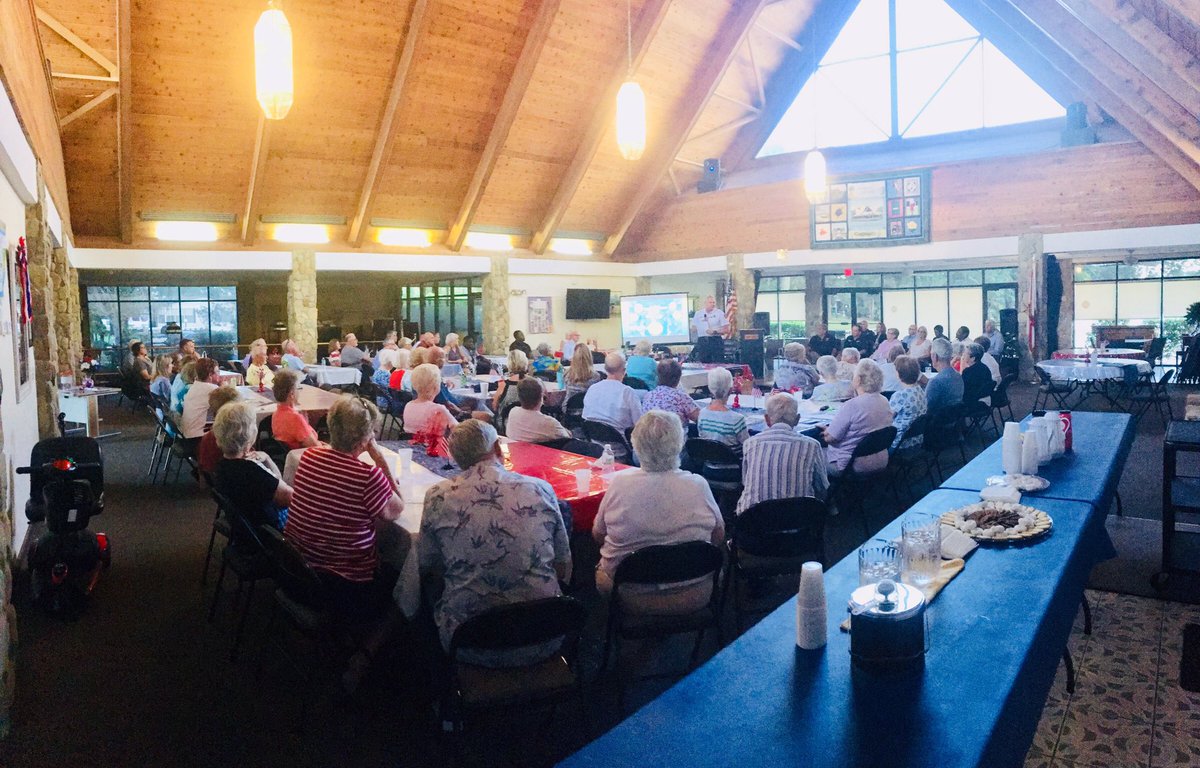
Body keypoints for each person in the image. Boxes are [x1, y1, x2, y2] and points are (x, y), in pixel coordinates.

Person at [420, 419, 571, 666]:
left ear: (457, 458)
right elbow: (563, 566)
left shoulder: (438, 496)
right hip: (545, 634)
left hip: (470, 642)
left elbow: (428, 565)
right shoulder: (540, 489)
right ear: (498, 449)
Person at [285, 396, 405, 623]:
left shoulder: (309, 457)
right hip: (341, 584)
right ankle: (365, 652)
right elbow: (397, 509)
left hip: (297, 569)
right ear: (366, 437)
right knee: (404, 586)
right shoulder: (368, 476)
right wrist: (378, 458)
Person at [592, 410, 724, 611]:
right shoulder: (698, 484)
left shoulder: (620, 483)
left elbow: (599, 534)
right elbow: (718, 535)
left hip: (629, 590)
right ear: (679, 445)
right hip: (694, 589)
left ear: (636, 445)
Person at [736, 393, 828, 515]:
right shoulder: (812, 446)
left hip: (753, 521)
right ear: (797, 419)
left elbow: (745, 482)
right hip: (799, 521)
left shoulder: (750, 443)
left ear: (767, 419)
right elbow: (822, 487)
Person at [213, 401, 292, 533]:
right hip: (269, 531)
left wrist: (266, 457)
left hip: (244, 529)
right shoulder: (251, 472)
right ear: (249, 433)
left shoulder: (221, 467)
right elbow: (291, 498)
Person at [822, 359, 892, 476]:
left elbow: (831, 439)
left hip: (850, 464)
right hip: (880, 459)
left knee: (809, 454)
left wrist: (826, 432)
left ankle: (818, 493)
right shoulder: (884, 401)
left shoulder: (852, 405)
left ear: (858, 379)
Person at [583, 352, 642, 433]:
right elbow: (639, 424)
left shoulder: (592, 389)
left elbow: (586, 417)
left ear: (605, 369)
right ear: (624, 370)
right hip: (622, 443)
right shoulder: (627, 393)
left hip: (594, 442)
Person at [697, 368, 749, 451]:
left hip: (708, 461)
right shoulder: (737, 419)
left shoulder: (702, 414)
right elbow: (748, 445)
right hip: (734, 462)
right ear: (730, 390)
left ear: (710, 388)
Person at [505, 378, 571, 443]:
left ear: (520, 397)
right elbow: (568, 437)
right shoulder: (550, 423)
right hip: (544, 453)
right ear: (541, 398)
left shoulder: (513, 412)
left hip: (515, 452)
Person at [197, 385, 243, 477]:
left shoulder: (208, 437)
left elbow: (203, 468)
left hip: (218, 481)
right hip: (237, 478)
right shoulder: (239, 436)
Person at [641, 358, 699, 427]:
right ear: (678, 378)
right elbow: (699, 418)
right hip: (674, 436)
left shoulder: (648, 396)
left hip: (652, 435)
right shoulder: (680, 397)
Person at [402, 363, 456, 437]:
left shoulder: (408, 405)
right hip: (433, 446)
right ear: (436, 386)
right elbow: (457, 428)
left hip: (411, 445)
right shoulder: (438, 409)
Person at [271, 369, 320, 449]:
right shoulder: (295, 418)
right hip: (303, 455)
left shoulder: (276, 414)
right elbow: (314, 446)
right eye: (298, 388)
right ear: (292, 393)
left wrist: (305, 423)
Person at [889, 355, 927, 451]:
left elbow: (887, 419)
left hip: (899, 444)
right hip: (917, 440)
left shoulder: (899, 396)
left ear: (898, 374)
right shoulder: (921, 391)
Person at [181, 359, 222, 439]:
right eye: (217, 372)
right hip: (198, 438)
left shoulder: (195, 386)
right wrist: (225, 388)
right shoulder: (212, 389)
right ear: (210, 375)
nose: (219, 375)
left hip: (187, 434)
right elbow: (230, 404)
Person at [491, 349, 530, 433]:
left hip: (506, 426)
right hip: (530, 423)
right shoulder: (535, 383)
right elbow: (545, 401)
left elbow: (494, 406)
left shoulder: (504, 385)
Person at [925, 337, 964, 414]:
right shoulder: (958, 376)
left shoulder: (935, 382)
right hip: (954, 420)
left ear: (934, 357)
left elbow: (925, 408)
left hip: (935, 422)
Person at [691, 295, 729, 363]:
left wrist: (715, 331)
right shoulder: (698, 314)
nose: (713, 304)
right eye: (710, 302)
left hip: (715, 340)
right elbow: (693, 329)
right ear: (705, 303)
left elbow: (726, 330)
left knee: (718, 362)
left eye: (714, 302)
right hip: (702, 341)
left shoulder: (719, 313)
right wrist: (701, 327)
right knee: (704, 363)